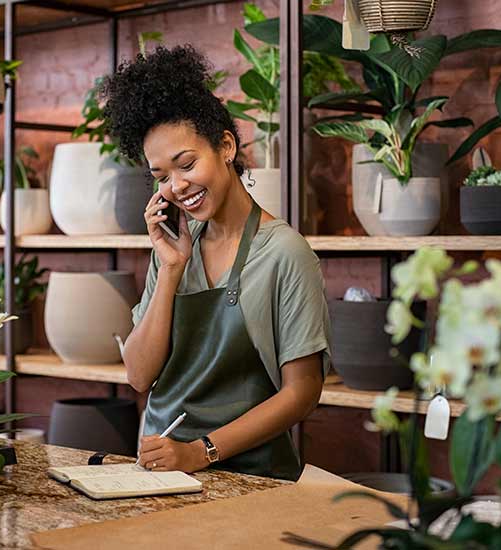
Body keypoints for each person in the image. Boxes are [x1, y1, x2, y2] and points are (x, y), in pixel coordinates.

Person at [107, 45, 332, 482]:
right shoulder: (173, 250)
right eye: (161, 177)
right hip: (161, 471)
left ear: (226, 146)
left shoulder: (285, 253)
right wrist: (170, 268)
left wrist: (201, 451)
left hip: (250, 476)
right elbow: (138, 375)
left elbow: (303, 392)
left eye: (186, 164)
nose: (177, 186)